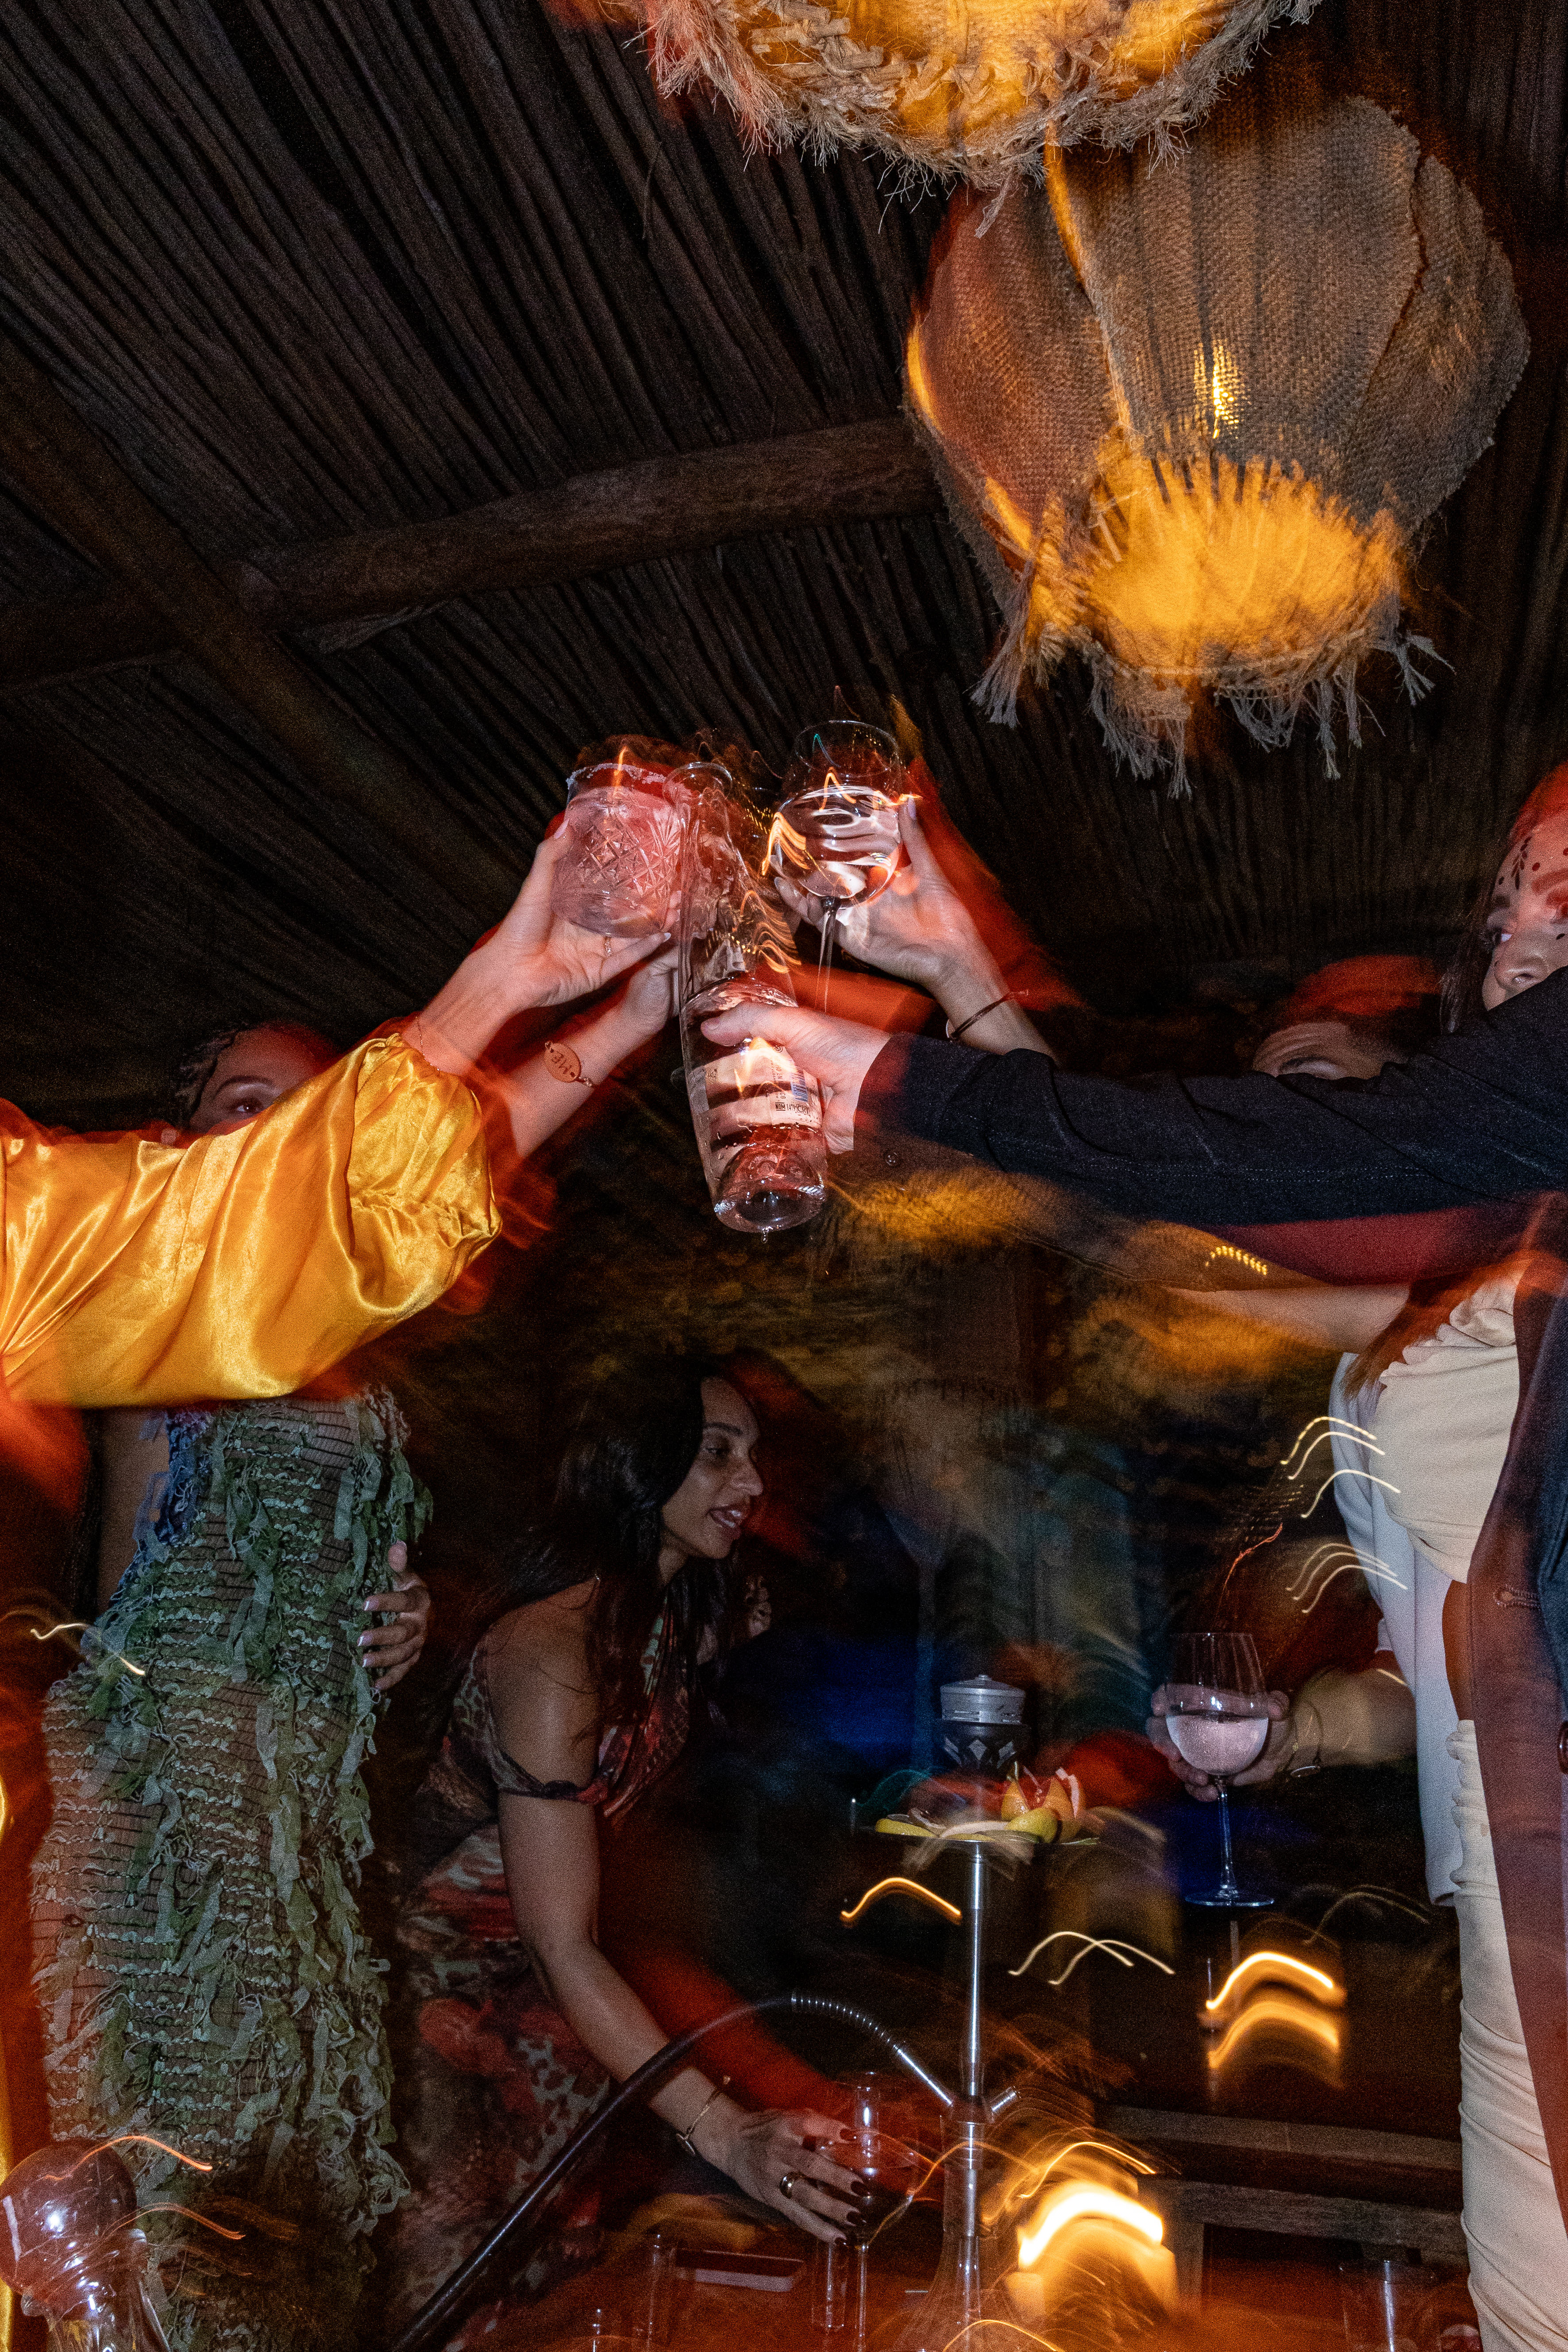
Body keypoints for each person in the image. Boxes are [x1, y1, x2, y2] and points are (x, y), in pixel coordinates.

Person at [19, 834, 681, 2352]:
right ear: (186, 1151)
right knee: (184, 2218)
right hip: (182, 1835)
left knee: (300, 2209)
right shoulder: (171, 1341)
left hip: (304, 1827)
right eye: (248, 1108)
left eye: (305, 1109)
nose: (291, 1137)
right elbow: (142, 1622)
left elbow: (453, 1153)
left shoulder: (347, 1367)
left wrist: (392, 1637)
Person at [388, 1358, 863, 2340]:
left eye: (755, 1457)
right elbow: (564, 1939)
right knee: (456, 2296)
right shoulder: (549, 1656)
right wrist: (727, 2132)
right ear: (635, 1470)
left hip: (566, 2006)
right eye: (717, 1455)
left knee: (559, 2297)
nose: (752, 1484)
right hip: (441, 2005)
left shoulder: (695, 1614)